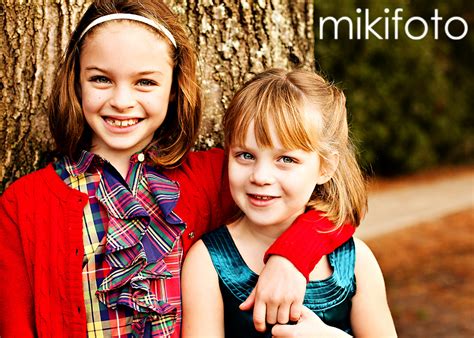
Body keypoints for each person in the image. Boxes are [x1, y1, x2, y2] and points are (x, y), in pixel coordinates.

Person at [0, 1, 356, 337]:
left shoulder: (213, 176)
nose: (122, 101)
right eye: (101, 79)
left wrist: (290, 258)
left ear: (173, 88)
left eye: (145, 82)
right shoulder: (24, 203)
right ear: (77, 80)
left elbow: (337, 204)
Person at [182, 68, 397, 337]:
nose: (260, 176)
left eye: (286, 159)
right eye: (245, 155)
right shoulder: (207, 262)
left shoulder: (355, 263)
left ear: (325, 168)